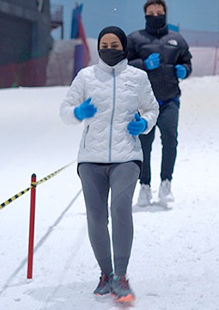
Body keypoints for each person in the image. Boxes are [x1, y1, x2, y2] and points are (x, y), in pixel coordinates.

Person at [60, 26, 159, 304]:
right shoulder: (86, 77)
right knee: (95, 215)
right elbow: (65, 110)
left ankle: (122, 276)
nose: (109, 48)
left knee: (119, 207)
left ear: (124, 47)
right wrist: (78, 112)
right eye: (104, 44)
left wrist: (144, 124)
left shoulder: (137, 78)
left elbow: (152, 108)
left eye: (115, 44)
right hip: (91, 158)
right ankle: (106, 274)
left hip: (127, 156)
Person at [127, 0, 193, 206]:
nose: (155, 16)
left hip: (169, 99)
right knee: (144, 144)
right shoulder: (135, 39)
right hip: (144, 102)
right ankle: (144, 186)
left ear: (165, 13)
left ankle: (166, 183)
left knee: (170, 140)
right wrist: (143, 64)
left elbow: (186, 61)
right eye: (151, 12)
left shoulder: (176, 39)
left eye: (159, 12)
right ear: (145, 14)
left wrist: (185, 70)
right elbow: (124, 65)